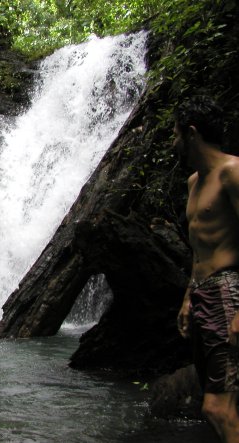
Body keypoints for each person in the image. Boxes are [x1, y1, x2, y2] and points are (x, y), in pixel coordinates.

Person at [175, 95, 239, 442]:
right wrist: (189, 296)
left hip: (229, 292)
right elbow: (198, 248)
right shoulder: (193, 183)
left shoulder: (233, 172)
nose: (174, 143)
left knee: (218, 407)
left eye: (176, 134)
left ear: (192, 133)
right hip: (203, 295)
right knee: (216, 403)